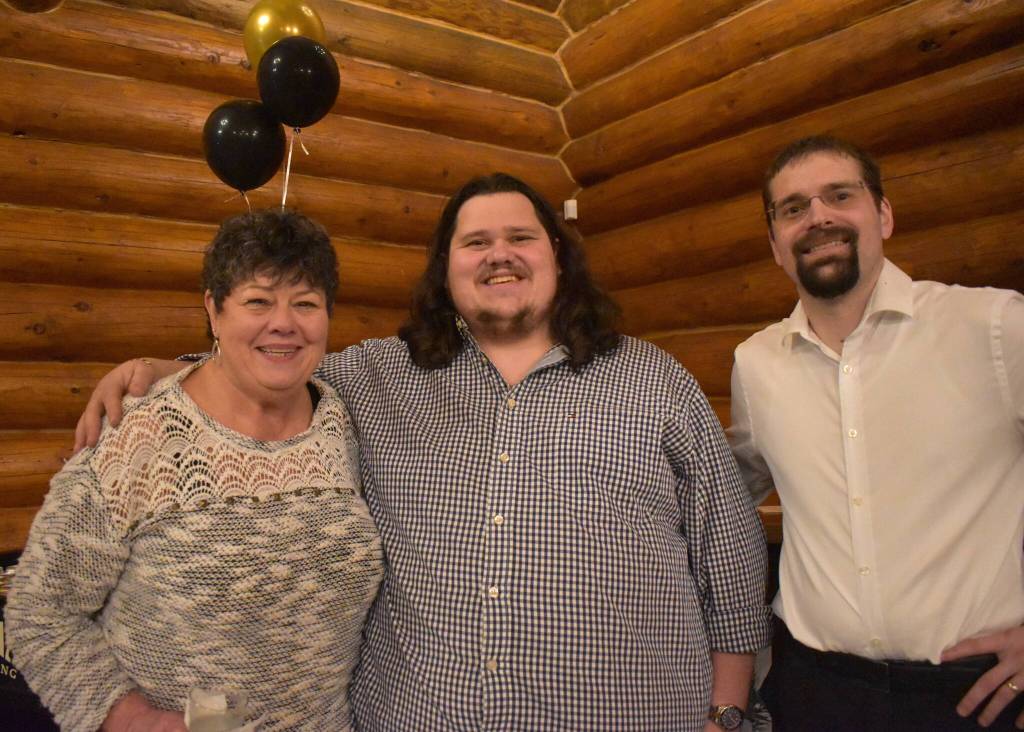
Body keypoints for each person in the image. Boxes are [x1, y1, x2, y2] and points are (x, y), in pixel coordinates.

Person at [75, 173, 772, 731]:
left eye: (520, 237)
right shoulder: (378, 377)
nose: (498, 253)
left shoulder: (654, 381)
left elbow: (731, 554)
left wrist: (725, 716)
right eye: (475, 243)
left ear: (556, 256)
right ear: (447, 270)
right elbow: (273, 368)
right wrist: (159, 366)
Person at [6, 209, 383, 732]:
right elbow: (38, 611)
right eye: (257, 301)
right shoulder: (140, 435)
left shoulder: (341, 421)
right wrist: (130, 719)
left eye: (306, 304)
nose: (284, 323)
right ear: (214, 309)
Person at [727, 136, 1024, 731]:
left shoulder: (993, 328)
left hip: (973, 694)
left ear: (882, 214)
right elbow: (724, 496)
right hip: (814, 691)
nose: (818, 217)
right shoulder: (755, 364)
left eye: (841, 195)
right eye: (793, 208)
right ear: (775, 245)